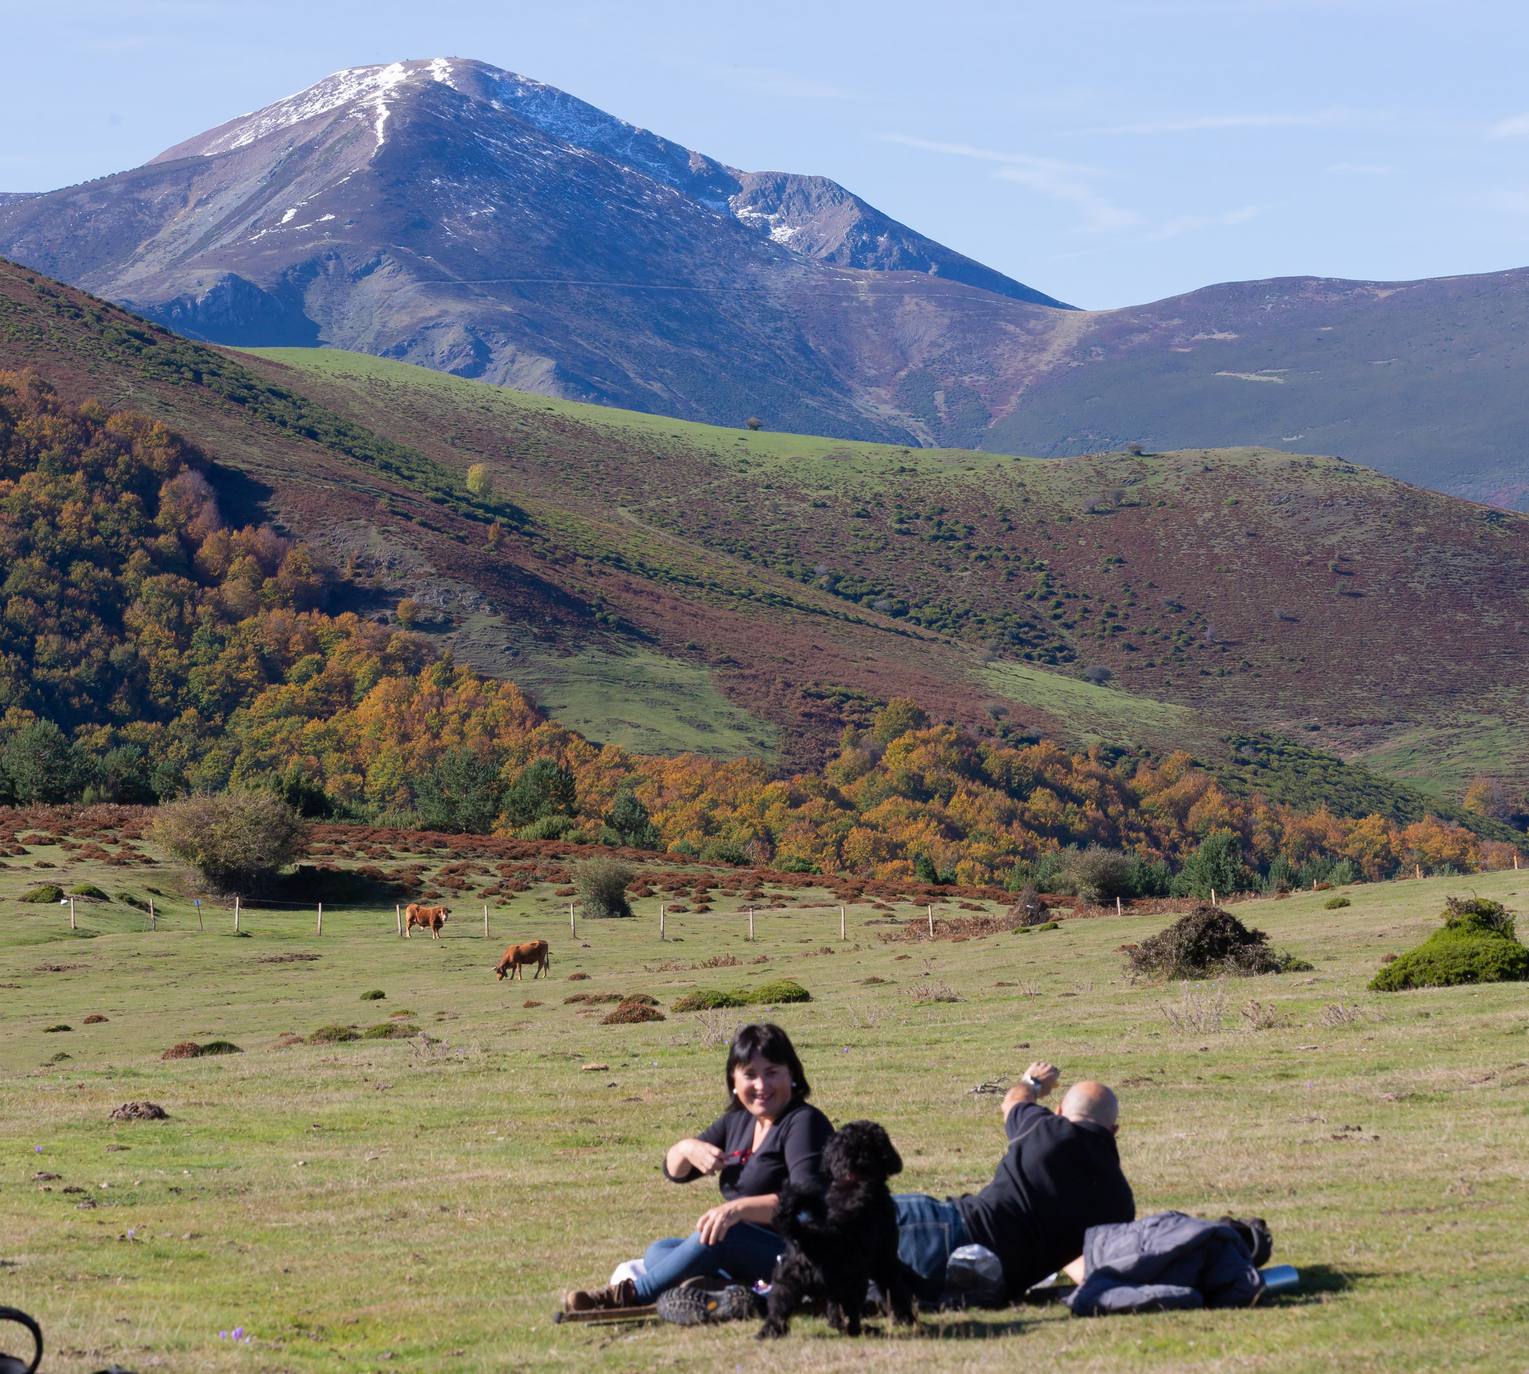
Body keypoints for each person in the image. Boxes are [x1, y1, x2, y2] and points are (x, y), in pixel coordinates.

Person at [562, 1022, 833, 1312]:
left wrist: (736, 1210)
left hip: (803, 1252)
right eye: (750, 1075)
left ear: (791, 1074)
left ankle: (626, 1297)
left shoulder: (803, 1122)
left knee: (723, 1235)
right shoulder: (739, 1121)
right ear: (734, 1080)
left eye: (772, 1073)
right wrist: (685, 1148)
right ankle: (729, 1288)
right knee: (660, 1251)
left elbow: (807, 1199)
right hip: (748, 1248)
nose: (761, 1086)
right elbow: (675, 1172)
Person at [892, 1060, 1134, 1306]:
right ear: (1114, 1130)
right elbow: (1090, 1265)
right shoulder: (1120, 1201)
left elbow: (1013, 1101)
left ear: (1059, 1111)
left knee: (862, 1214)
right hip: (993, 1288)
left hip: (952, 1231)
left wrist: (1033, 1081)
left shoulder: (1045, 1128)